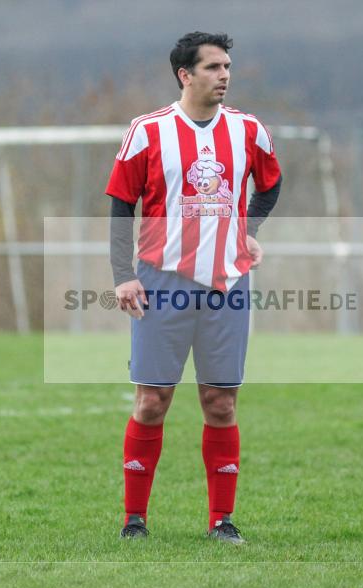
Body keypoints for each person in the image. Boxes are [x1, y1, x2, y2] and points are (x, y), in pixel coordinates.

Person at [104, 32, 282, 543]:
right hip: (162, 283)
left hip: (228, 284)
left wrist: (248, 231)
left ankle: (221, 522)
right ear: (186, 75)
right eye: (212, 67)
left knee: (221, 402)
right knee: (153, 399)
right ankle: (134, 521)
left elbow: (271, 184)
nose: (224, 74)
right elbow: (121, 203)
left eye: (227, 66)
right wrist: (122, 275)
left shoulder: (249, 130)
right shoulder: (148, 131)